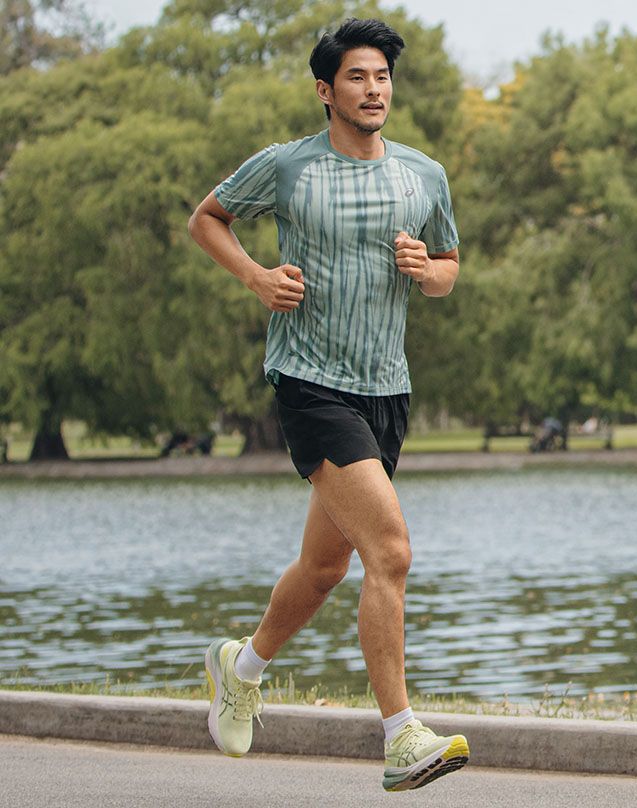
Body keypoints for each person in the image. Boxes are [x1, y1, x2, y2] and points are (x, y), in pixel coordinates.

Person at [187, 18, 467, 792]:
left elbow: (449, 269)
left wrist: (425, 269)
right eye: (357, 77)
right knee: (391, 550)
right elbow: (205, 219)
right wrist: (254, 276)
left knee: (322, 567)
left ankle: (239, 670)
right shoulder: (287, 167)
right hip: (311, 383)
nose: (373, 89)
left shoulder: (423, 175)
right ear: (325, 90)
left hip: (387, 388)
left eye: (381, 77)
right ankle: (402, 736)